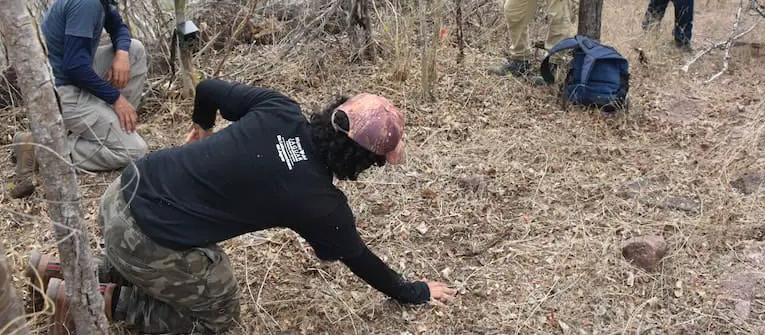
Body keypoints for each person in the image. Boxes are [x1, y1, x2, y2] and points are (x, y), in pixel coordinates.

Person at [38, 79, 456, 333]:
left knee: (163, 253)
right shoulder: (319, 202)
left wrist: (201, 127)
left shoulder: (279, 109)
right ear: (361, 160)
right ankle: (90, 301)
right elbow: (358, 257)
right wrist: (413, 292)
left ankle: (56, 273)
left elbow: (208, 90)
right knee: (217, 315)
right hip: (146, 240)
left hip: (123, 191)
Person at [9, 0, 153, 198]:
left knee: (134, 49)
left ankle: (114, 125)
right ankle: (42, 148)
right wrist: (117, 99)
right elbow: (74, 67)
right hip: (63, 90)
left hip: (75, 74)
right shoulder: (85, 0)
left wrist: (121, 53)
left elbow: (119, 28)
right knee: (135, 151)